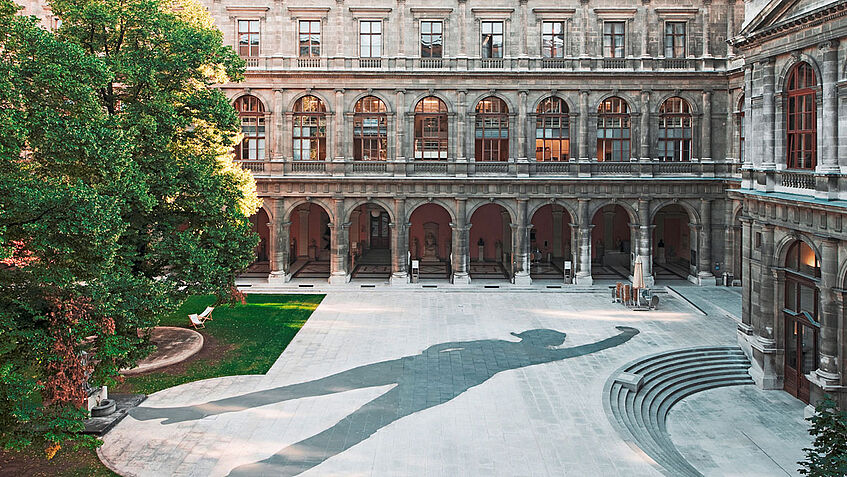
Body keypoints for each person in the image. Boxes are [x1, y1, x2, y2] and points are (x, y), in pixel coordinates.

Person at [131, 326, 639, 476]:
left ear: (537, 341)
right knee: (302, 389)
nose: (528, 333)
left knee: (354, 426)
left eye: (534, 333)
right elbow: (449, 345)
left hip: (431, 385)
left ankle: (266, 469)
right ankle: (181, 412)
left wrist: (623, 336)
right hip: (417, 365)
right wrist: (437, 347)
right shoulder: (510, 349)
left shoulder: (520, 357)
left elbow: (590, 349)